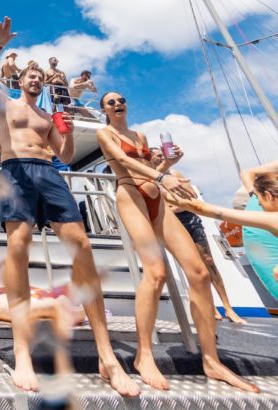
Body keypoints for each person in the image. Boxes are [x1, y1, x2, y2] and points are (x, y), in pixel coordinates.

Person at [0, 17, 139, 397]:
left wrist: (64, 130)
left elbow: (64, 155)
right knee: (18, 250)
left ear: (43, 85)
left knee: (82, 248)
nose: (34, 80)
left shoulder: (48, 117)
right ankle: (22, 352)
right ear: (20, 81)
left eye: (39, 78)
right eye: (29, 77)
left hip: (48, 172)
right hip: (14, 170)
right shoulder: (5, 103)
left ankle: (107, 356)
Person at [96, 91, 258, 393]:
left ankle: (211, 360)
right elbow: (120, 161)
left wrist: (168, 165)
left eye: (122, 100)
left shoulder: (140, 134)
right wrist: (161, 178)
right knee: (155, 272)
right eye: (111, 102)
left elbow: (152, 171)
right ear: (104, 110)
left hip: (157, 199)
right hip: (131, 197)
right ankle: (143, 356)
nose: (118, 104)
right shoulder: (104, 132)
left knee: (199, 273)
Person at [149, 147, 246, 325]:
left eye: (162, 155)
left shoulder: (174, 173)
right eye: (158, 156)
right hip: (169, 223)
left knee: (208, 261)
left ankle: (228, 307)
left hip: (188, 219)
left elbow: (191, 197)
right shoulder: (149, 176)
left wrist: (173, 204)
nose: (162, 157)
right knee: (191, 265)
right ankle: (210, 306)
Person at [169, 162, 278, 298]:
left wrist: (167, 197)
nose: (258, 204)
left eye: (258, 200)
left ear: (268, 196)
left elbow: (215, 212)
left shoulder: (273, 219)